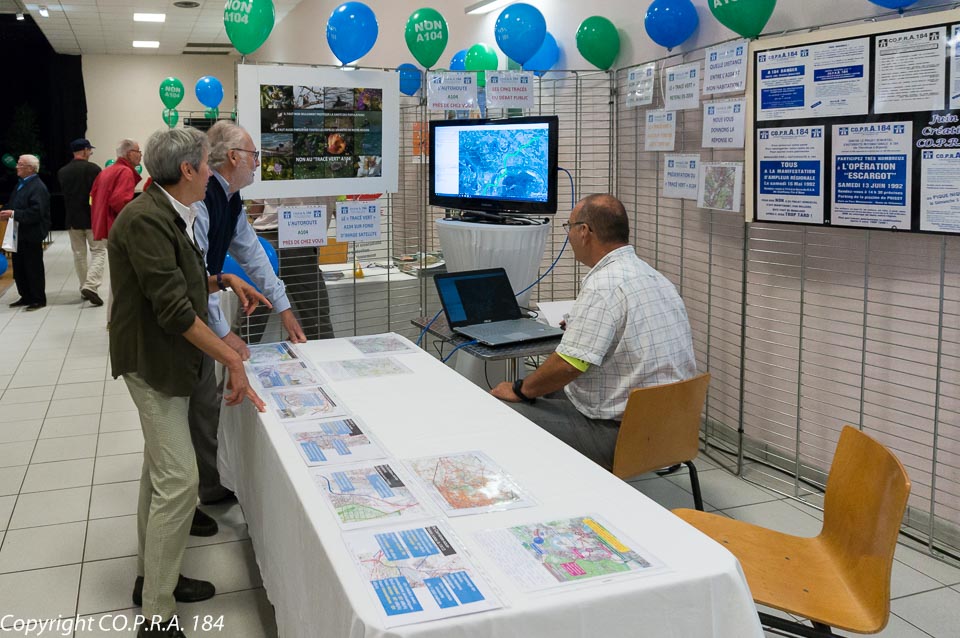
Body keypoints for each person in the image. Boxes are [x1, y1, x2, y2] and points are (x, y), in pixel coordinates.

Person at [108, 126, 269, 638]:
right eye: (208, 163)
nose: (213, 173)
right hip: (151, 363)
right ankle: (155, 615)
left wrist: (223, 278)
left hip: (167, 361)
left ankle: (153, 578)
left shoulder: (172, 213)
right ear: (188, 171)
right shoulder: (145, 220)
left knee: (158, 473)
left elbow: (182, 280)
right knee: (179, 482)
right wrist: (232, 358)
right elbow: (175, 309)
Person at [491, 194, 697, 470]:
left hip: (622, 436)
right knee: (548, 390)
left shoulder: (604, 286)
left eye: (569, 227)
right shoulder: (653, 277)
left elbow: (568, 366)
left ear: (584, 232)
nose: (569, 236)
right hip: (673, 432)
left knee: (503, 406)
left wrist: (519, 389)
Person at [189, 120, 307, 508]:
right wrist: (223, 334)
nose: (258, 162)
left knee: (208, 397)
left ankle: (213, 477)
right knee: (201, 400)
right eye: (254, 155)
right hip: (185, 316)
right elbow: (197, 275)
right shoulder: (202, 197)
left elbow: (252, 253)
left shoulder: (230, 197)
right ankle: (205, 487)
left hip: (199, 304)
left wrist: (285, 307)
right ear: (234, 157)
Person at [58, 138, 105, 305]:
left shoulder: (63, 172)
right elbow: (99, 195)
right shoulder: (94, 169)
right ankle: (91, 285)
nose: (91, 153)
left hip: (72, 219)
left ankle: (84, 287)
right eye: (89, 150)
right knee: (98, 252)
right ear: (84, 150)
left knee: (79, 255)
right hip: (92, 218)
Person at [0, 155, 51, 311]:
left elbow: (36, 212)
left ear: (30, 168)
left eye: (20, 165)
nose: (17, 167)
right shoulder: (21, 184)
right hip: (19, 233)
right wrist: (5, 211)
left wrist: (13, 214)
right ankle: (26, 295)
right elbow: (14, 203)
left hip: (32, 233)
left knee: (33, 267)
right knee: (20, 266)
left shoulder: (37, 187)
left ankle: (38, 299)